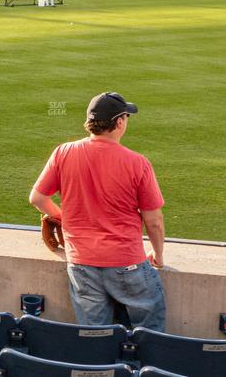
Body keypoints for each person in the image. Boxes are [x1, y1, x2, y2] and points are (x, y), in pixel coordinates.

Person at [29, 92, 167, 331]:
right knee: (150, 335)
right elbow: (153, 220)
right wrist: (158, 255)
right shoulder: (137, 162)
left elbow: (37, 198)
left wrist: (65, 219)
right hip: (127, 263)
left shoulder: (64, 152)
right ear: (119, 122)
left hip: (81, 264)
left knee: (94, 340)